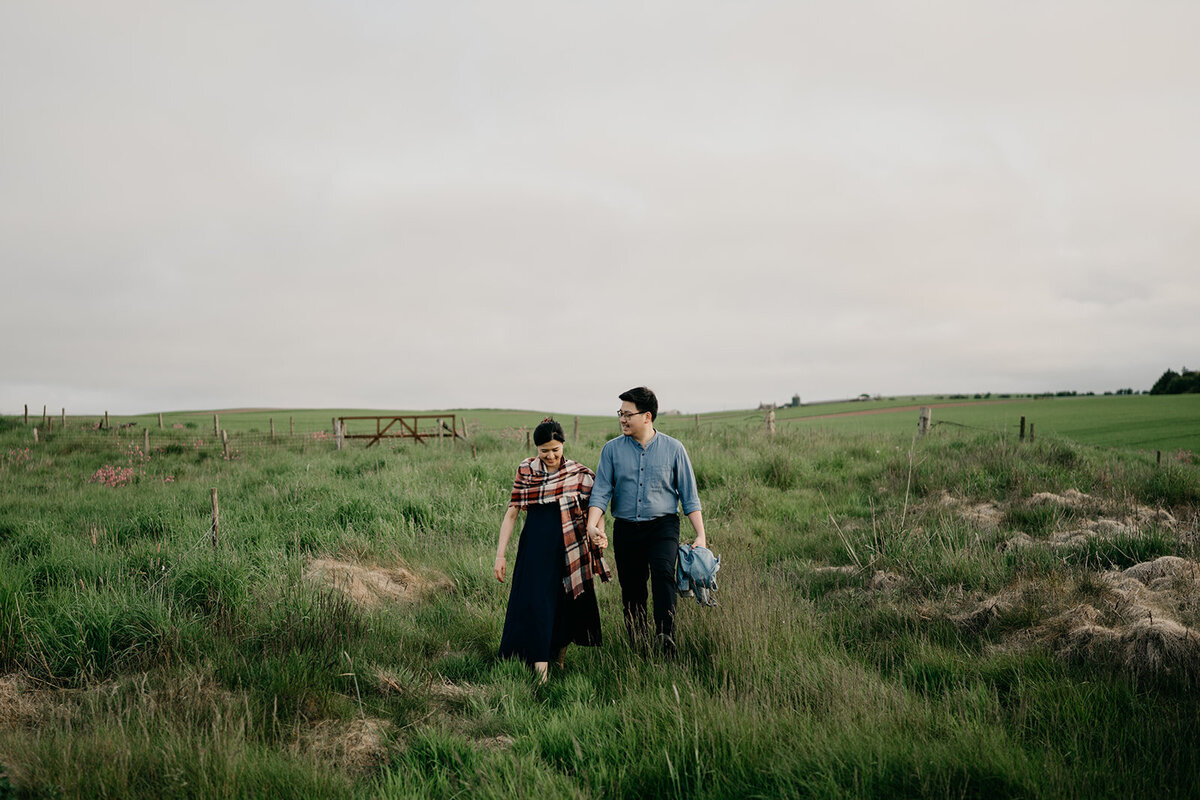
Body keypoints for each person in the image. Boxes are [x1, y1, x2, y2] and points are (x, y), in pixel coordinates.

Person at [586, 387, 708, 656]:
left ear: (647, 416)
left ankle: (666, 635)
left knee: (664, 574)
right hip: (626, 528)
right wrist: (592, 524)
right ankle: (638, 642)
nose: (622, 419)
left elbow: (689, 496)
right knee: (632, 587)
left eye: (628, 414)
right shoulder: (611, 450)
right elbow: (601, 491)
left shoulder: (674, 449)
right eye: (620, 413)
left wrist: (700, 535)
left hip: (662, 526)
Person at [495, 418, 610, 684]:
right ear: (536, 448)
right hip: (534, 549)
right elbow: (512, 513)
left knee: (564, 604)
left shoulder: (579, 473)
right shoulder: (526, 470)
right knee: (537, 603)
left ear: (563, 445)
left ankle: (558, 657)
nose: (550, 456)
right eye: (544, 450)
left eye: (555, 449)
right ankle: (540, 669)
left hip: (569, 549)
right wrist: (500, 555)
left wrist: (598, 532)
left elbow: (596, 507)